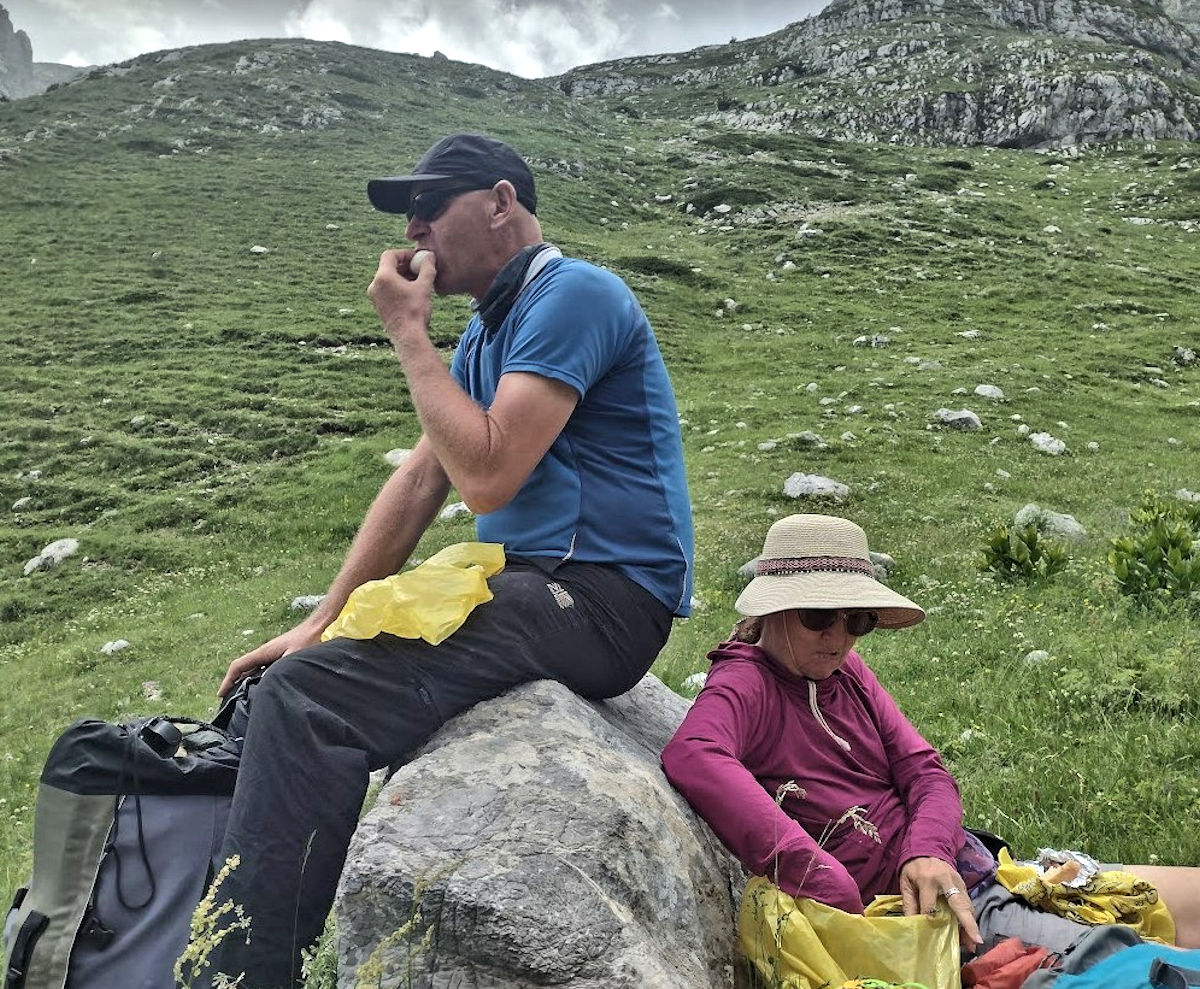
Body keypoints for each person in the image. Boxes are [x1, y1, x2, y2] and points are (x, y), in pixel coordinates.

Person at [208, 133, 694, 988]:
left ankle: (241, 974)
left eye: (432, 205)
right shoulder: (486, 335)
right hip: (542, 587)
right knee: (297, 675)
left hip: (607, 597)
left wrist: (406, 334)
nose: (414, 224)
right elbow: (424, 478)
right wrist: (317, 622)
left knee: (310, 702)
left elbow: (489, 471)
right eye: (409, 213)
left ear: (501, 203)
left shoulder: (572, 294)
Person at [660, 513, 1200, 970]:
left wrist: (925, 850)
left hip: (974, 867)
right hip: (946, 916)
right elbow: (694, 753)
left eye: (857, 620)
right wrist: (825, 881)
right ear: (773, 611)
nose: (839, 637)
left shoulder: (845, 670)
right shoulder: (746, 681)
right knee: (1145, 967)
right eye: (819, 616)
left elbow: (926, 772)